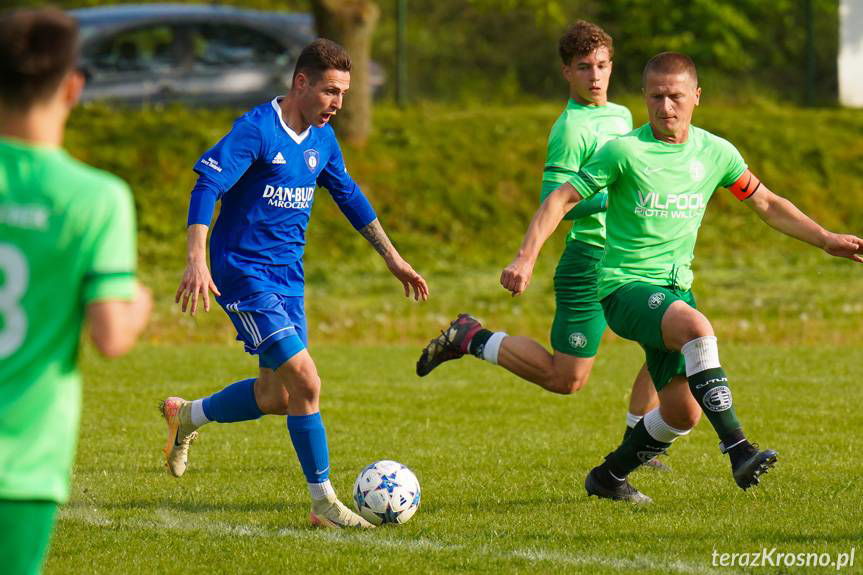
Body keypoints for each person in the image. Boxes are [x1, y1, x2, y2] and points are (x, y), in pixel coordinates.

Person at [501, 51, 863, 503]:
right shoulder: (624, 151)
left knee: (680, 415)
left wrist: (825, 238)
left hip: (675, 288)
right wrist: (525, 257)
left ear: (696, 97)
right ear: (644, 97)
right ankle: (738, 448)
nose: (665, 106)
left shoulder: (716, 153)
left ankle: (608, 477)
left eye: (675, 96)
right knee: (697, 328)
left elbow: (767, 203)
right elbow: (559, 199)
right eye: (655, 96)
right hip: (624, 287)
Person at [162, 38, 428, 529]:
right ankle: (323, 503)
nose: (338, 103)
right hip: (242, 272)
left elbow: (350, 197)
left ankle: (189, 416)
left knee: (277, 397)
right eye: (330, 91)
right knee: (307, 381)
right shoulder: (256, 129)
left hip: (289, 279)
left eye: (344, 93)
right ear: (300, 83)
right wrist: (195, 259)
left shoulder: (323, 141)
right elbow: (207, 186)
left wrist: (394, 258)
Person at [416, 21, 665, 466]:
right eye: (585, 67)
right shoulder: (570, 130)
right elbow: (557, 202)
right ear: (566, 71)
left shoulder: (623, 115)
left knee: (670, 339)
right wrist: (526, 258)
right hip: (589, 260)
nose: (595, 76)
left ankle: (638, 444)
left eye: (603, 66)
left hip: (634, 258)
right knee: (565, 379)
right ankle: (472, 337)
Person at [0, 9, 152, 574]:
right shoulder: (95, 198)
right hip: (22, 467)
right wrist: (139, 305)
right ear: (72, 86)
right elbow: (110, 335)